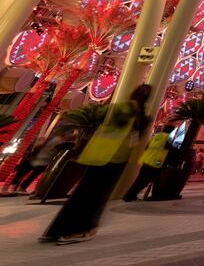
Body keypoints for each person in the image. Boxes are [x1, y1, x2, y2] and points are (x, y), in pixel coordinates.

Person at [39, 84, 151, 244]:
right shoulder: (141, 117)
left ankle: (55, 230)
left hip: (95, 154)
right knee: (96, 197)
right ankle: (78, 230)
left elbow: (94, 120)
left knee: (81, 193)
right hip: (116, 158)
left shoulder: (113, 108)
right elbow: (136, 139)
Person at [123, 124, 176, 201]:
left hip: (147, 160)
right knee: (143, 181)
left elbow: (147, 146)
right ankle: (130, 196)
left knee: (139, 180)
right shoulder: (168, 138)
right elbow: (170, 149)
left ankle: (129, 195)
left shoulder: (156, 136)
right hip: (155, 163)